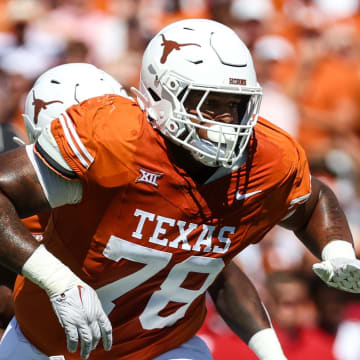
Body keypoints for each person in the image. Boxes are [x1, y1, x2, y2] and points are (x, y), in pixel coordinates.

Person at [0, 18, 358, 360]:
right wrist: (56, 279)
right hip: (43, 344)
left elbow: (302, 206)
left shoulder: (265, 158)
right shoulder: (113, 141)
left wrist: (337, 247)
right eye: (207, 104)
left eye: (234, 105)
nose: (226, 122)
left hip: (162, 348)